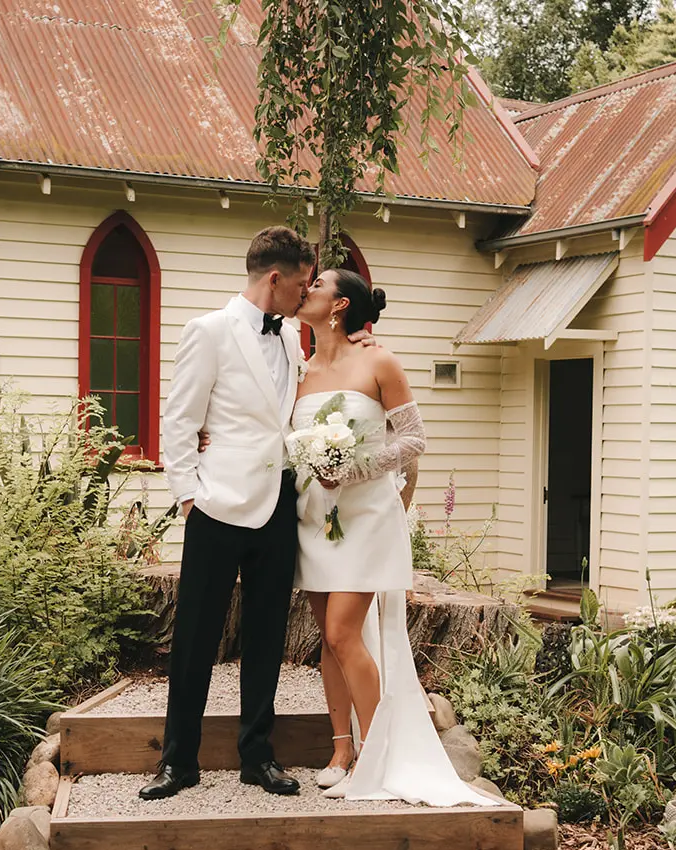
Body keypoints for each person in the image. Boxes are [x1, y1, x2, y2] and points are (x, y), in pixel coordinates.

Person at [284, 268, 496, 806]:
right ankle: (340, 751)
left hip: (367, 514)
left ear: (339, 306)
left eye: (317, 285)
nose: (306, 290)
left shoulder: (379, 361)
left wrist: (350, 467)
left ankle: (376, 752)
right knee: (327, 639)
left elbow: (414, 439)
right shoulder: (299, 370)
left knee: (342, 632)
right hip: (314, 516)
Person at [139, 227, 316, 801]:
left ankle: (257, 756)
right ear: (275, 278)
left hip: (278, 505)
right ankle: (178, 760)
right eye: (301, 283)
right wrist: (189, 497)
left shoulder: (292, 339)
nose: (304, 294)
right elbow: (179, 419)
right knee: (195, 636)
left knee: (267, 636)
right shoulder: (209, 332)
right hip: (216, 506)